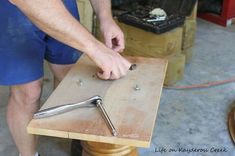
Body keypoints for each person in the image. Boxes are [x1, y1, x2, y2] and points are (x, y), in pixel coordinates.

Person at [0, 0, 131, 156]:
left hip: (63, 5)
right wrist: (95, 48)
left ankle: (72, 134)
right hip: (13, 8)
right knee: (28, 92)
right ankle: (27, 154)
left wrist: (106, 18)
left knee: (71, 79)